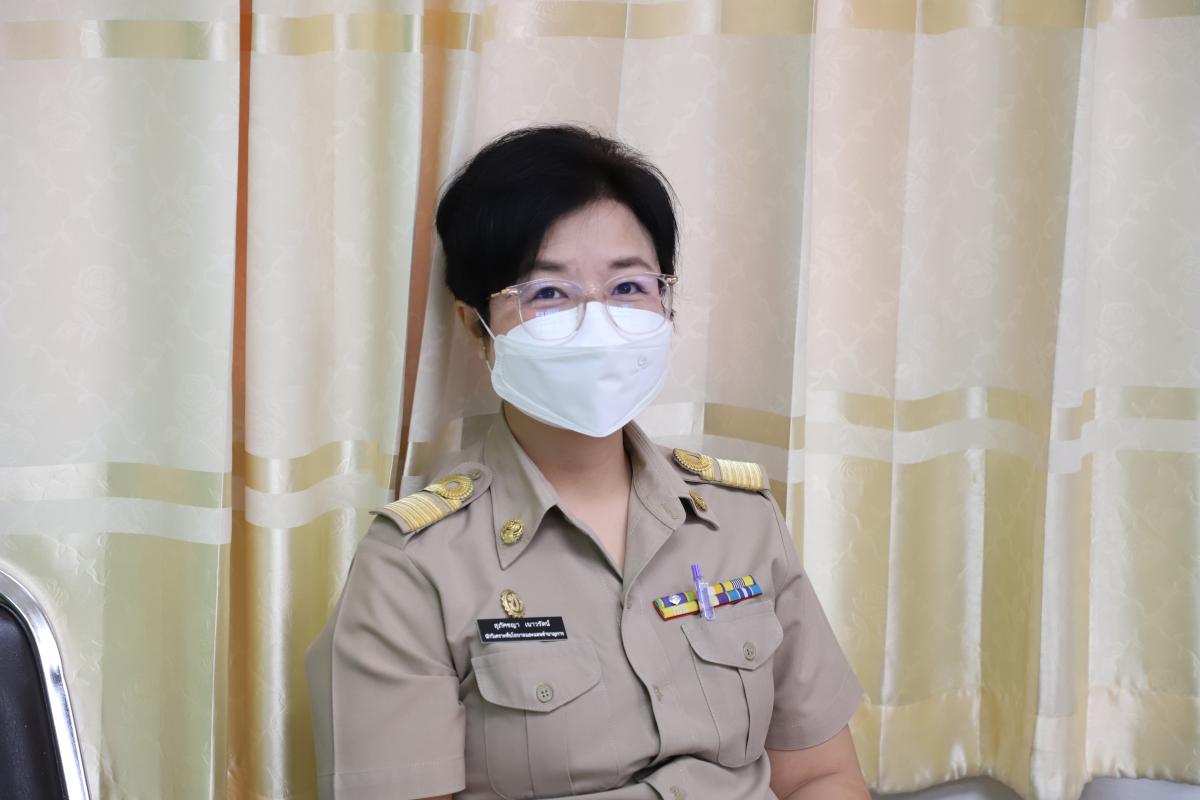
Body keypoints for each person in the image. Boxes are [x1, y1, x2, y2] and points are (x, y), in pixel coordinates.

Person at [305, 126, 869, 800]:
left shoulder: (741, 520)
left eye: (628, 285)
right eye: (549, 294)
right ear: (474, 327)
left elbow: (821, 774)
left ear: (667, 300)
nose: (597, 323)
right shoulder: (414, 567)